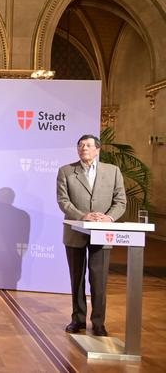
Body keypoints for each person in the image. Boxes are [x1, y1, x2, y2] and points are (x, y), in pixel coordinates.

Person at [56, 134, 126, 337]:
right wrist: (83, 216)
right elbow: (63, 201)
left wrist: (109, 219)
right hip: (75, 232)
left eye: (87, 145)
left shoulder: (112, 171)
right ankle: (77, 320)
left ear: (97, 149)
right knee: (76, 279)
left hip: (103, 234)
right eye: (80, 145)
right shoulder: (66, 171)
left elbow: (120, 201)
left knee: (98, 279)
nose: (83, 148)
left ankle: (98, 323)